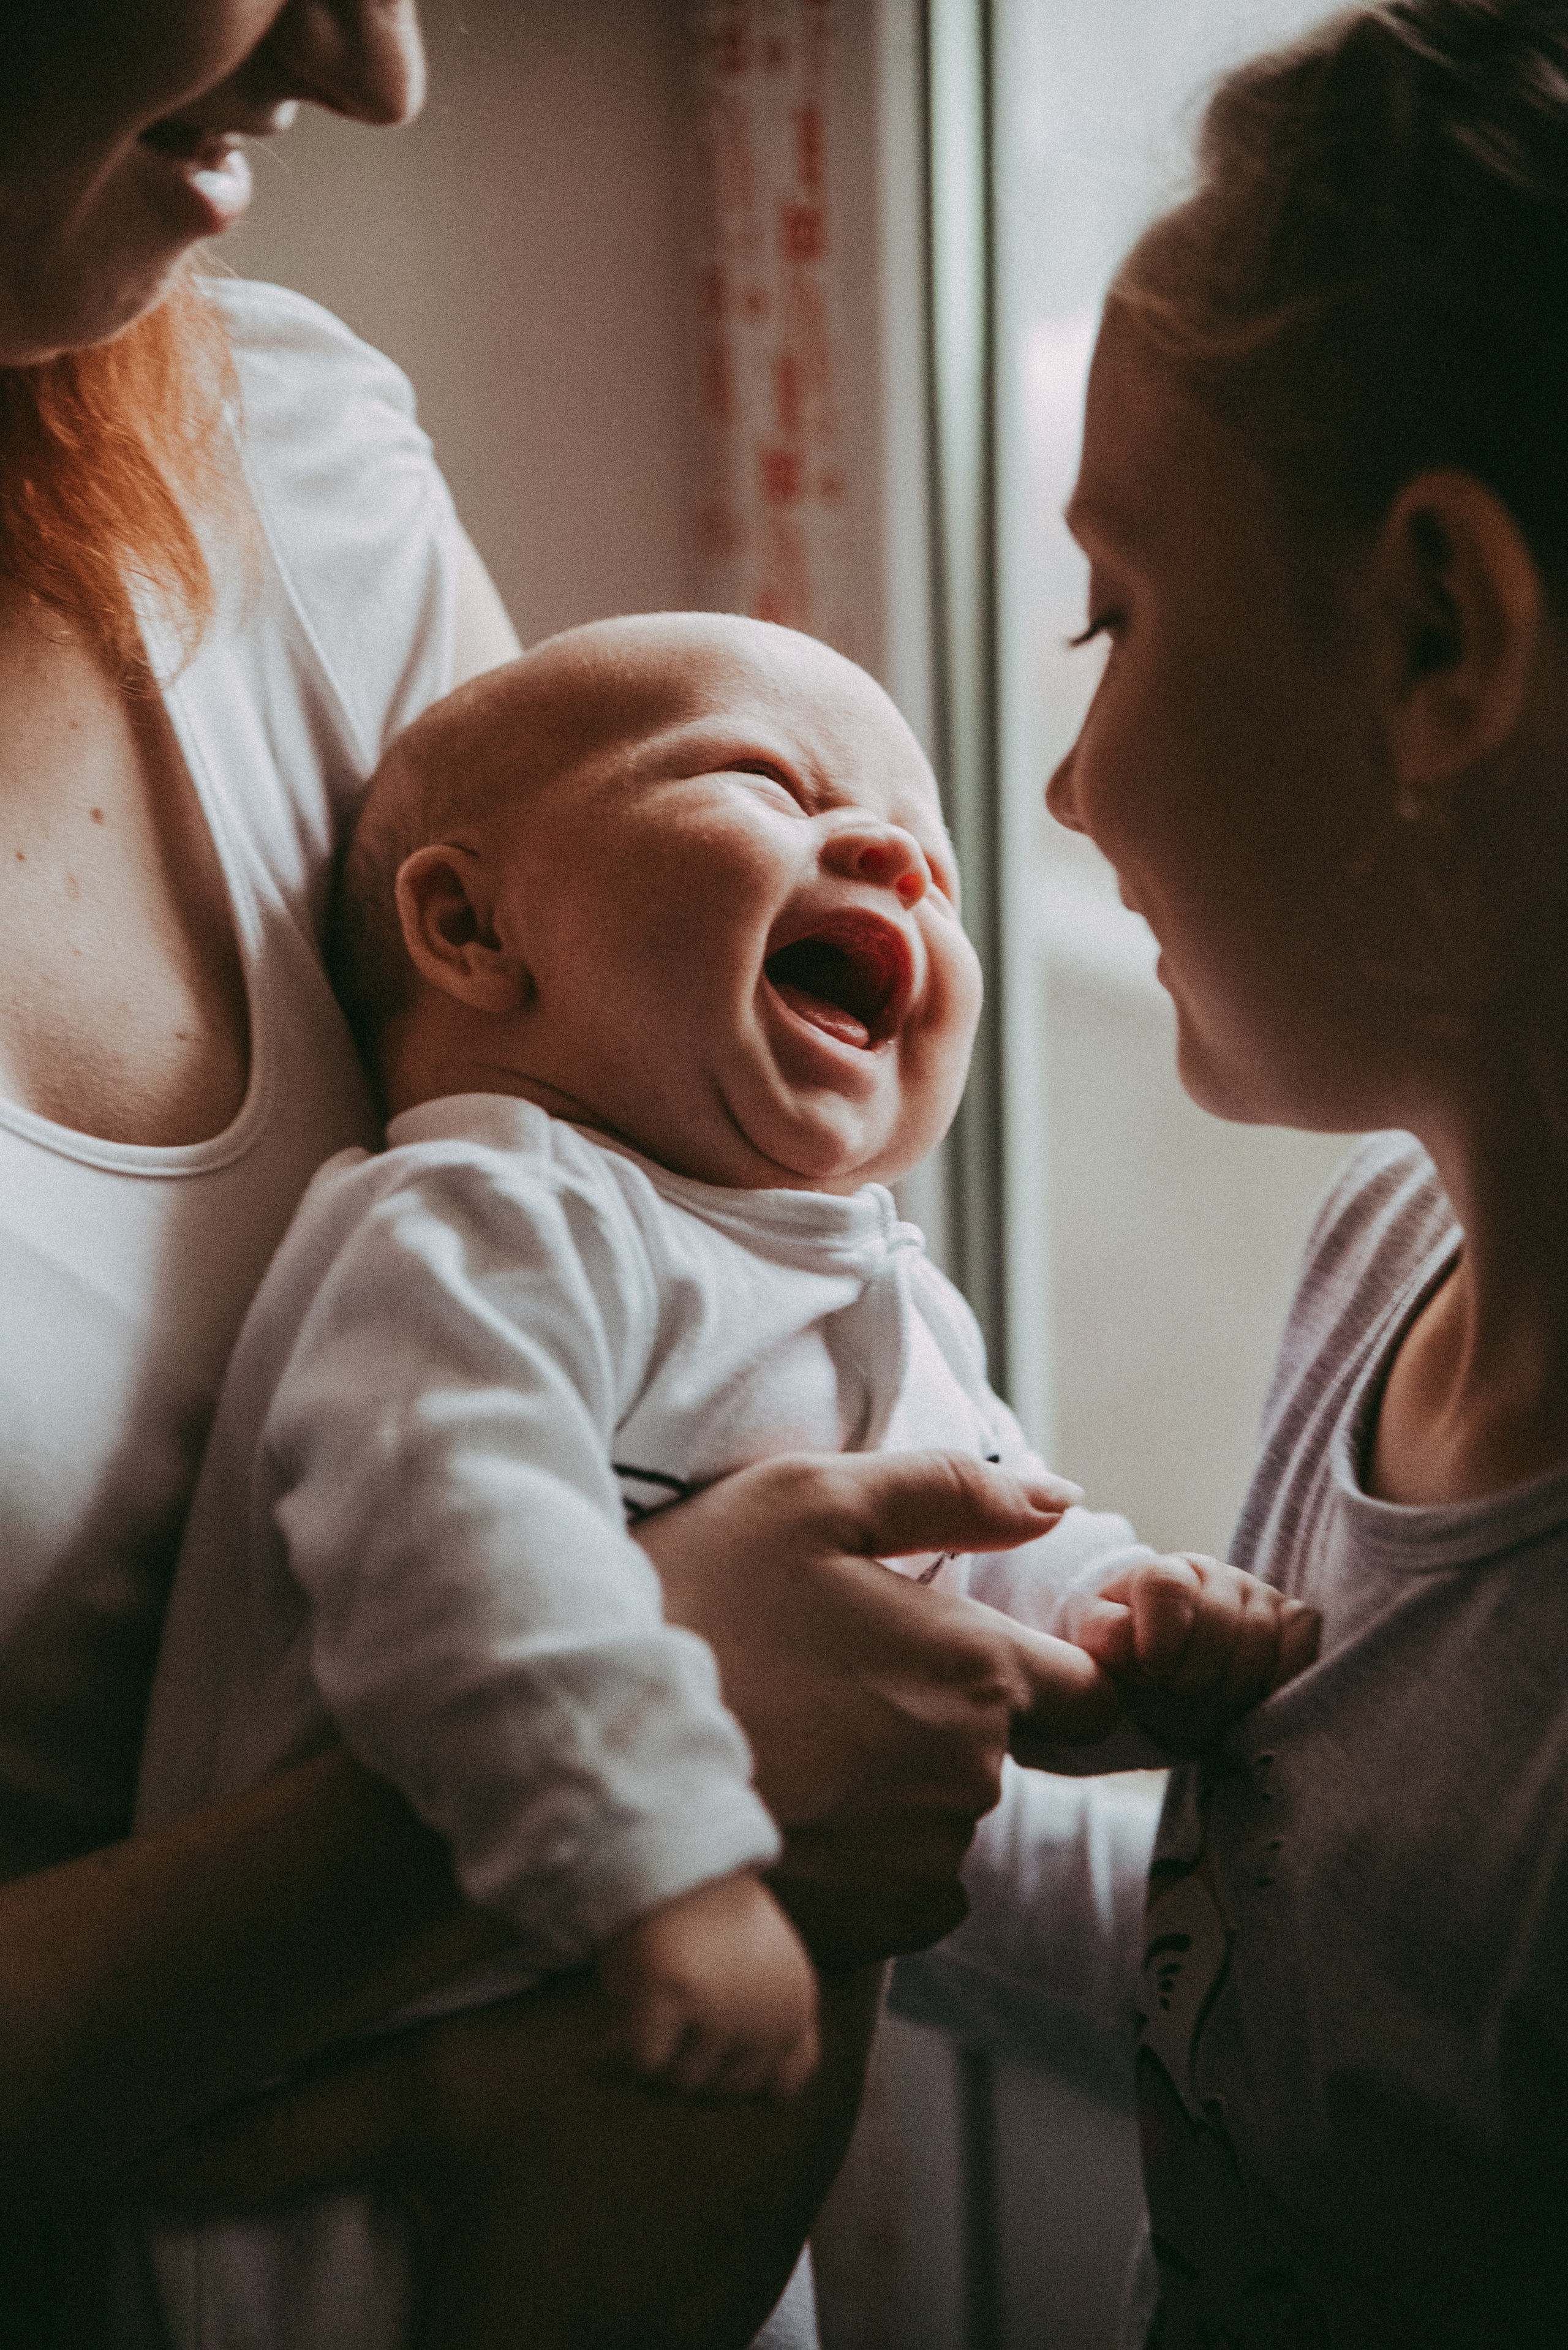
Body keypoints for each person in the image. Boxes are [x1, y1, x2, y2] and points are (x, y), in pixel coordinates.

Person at [0, 9, 1182, 2349]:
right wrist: (659, 1777)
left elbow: (921, 1567)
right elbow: (599, 1549)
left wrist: (1166, 1655)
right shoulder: (472, 1218)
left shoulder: (284, 457)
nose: (386, 61)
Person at [135, 611, 1317, 2350]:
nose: (899, 854)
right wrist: (663, 1863)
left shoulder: (871, 1287)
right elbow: (456, 1558)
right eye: (766, 780)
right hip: (340, 2192)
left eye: (933, 853)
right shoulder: (485, 1217)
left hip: (689, 2163)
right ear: (471, 928)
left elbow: (972, 1552)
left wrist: (1119, 1624)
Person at [902, 2, 1568, 2342]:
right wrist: (770, 1765)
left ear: (1433, 633)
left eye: (1113, 614)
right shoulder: (1392, 1252)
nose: (1064, 785)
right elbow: (1283, 2004)